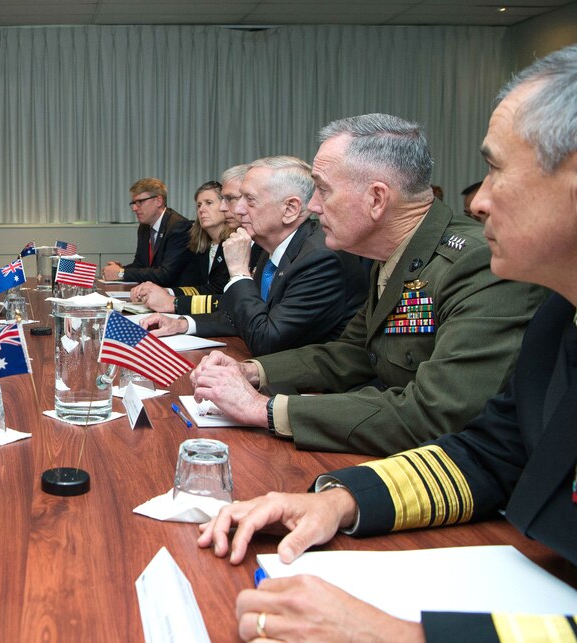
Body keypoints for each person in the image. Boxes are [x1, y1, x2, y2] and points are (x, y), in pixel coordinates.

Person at [199, 45, 577, 642]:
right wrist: (342, 500)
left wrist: (406, 636)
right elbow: (490, 453)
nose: (477, 199)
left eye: (499, 169)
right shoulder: (562, 317)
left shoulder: (482, 270)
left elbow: (437, 411)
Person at [191, 113, 545, 456]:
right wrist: (253, 370)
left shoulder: (474, 263)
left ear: (376, 199)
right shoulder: (393, 253)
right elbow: (352, 353)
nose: (313, 206)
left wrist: (265, 410)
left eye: (323, 190)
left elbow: (437, 411)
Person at [142, 156, 369, 356]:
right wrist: (182, 324)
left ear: (290, 209)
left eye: (249, 200)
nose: (237, 210)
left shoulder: (320, 259)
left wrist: (240, 273)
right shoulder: (276, 247)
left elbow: (267, 339)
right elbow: (240, 315)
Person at [131, 167, 264, 316]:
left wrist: (172, 300)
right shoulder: (202, 245)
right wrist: (167, 293)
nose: (202, 210)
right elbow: (199, 287)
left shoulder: (237, 243)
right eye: (199, 205)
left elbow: (221, 292)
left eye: (209, 203)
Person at [102, 177, 191, 286]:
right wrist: (118, 270)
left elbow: (165, 274)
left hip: (175, 295)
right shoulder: (144, 227)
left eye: (139, 202)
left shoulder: (178, 227)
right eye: (133, 203)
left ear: (158, 201)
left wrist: (122, 273)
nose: (134, 208)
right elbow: (141, 264)